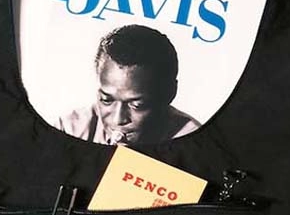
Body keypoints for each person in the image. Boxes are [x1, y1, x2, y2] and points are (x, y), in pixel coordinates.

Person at [58, 25, 200, 146]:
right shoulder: (68, 129)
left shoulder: (193, 146)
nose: (118, 119)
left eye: (137, 105)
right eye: (106, 100)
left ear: (170, 93)